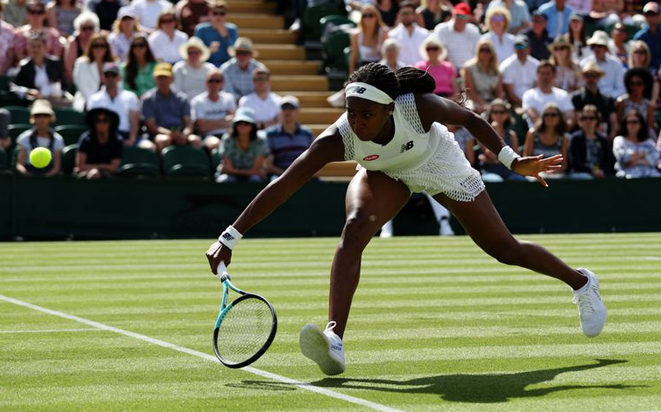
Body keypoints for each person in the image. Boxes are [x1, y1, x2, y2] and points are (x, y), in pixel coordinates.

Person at [205, 65, 607, 377]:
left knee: (504, 249)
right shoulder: (339, 138)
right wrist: (230, 235)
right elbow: (283, 184)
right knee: (356, 226)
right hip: (386, 173)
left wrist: (512, 160)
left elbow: (469, 119)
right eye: (351, 113)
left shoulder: (420, 107)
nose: (357, 122)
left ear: (389, 107)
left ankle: (582, 282)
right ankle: (334, 339)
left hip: (439, 163)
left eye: (367, 114)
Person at [141, 62, 201, 152]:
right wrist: (170, 134)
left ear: (172, 78)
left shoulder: (182, 98)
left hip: (180, 132)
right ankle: (164, 165)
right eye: (160, 78)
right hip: (159, 134)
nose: (162, 81)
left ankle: (194, 165)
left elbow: (188, 122)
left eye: (165, 77)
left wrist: (184, 134)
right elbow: (151, 126)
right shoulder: (148, 99)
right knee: (163, 140)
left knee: (195, 140)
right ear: (154, 79)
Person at [87, 62, 140, 146]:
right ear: (102, 77)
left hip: (126, 136)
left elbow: (134, 122)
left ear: (119, 78)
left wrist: (131, 139)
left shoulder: (130, 97)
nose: (110, 78)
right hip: (103, 138)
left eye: (113, 75)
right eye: (107, 75)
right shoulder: (94, 99)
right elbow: (93, 124)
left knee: (149, 147)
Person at [263, 95, 313, 181]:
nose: (287, 111)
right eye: (284, 108)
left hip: (303, 176)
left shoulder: (307, 134)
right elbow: (267, 165)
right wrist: (287, 175)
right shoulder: (270, 134)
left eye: (291, 108)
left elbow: (313, 162)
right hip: (279, 176)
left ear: (297, 112)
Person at [215, 107, 267, 183]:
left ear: (252, 126)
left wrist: (234, 171)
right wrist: (234, 171)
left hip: (251, 177)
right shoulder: (227, 139)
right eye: (239, 123)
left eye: (246, 123)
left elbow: (256, 170)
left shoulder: (260, 141)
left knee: (255, 180)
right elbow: (228, 168)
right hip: (231, 176)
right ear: (235, 125)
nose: (242, 126)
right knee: (225, 180)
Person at [15, 99, 63, 177]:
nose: (42, 119)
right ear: (33, 118)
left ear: (50, 118)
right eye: (38, 116)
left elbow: (56, 167)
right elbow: (20, 164)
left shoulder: (57, 139)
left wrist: (45, 177)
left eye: (45, 115)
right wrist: (29, 176)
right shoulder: (25, 137)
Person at [480, 98, 525, 181]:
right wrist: (496, 131)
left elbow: (516, 159)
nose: (498, 115)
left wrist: (497, 160)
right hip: (490, 171)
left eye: (501, 112)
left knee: (520, 180)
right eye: (495, 112)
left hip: (509, 171)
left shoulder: (512, 135)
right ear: (490, 114)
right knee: (496, 180)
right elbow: (492, 156)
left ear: (506, 114)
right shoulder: (483, 134)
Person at [571, 61, 618, 138]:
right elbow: (577, 120)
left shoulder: (608, 99)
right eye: (588, 76)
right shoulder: (577, 98)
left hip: (604, 137)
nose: (591, 79)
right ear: (583, 77)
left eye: (594, 76)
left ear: (598, 78)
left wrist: (611, 136)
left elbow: (614, 123)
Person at [522, 61, 574, 128]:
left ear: (554, 75)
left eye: (548, 73)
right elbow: (533, 117)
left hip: (560, 133)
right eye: (542, 73)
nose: (545, 77)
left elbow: (569, 117)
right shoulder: (529, 95)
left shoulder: (563, 95)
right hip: (537, 134)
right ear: (537, 75)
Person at [191, 68, 236, 146]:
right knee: (216, 144)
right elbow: (202, 127)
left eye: (217, 81)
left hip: (229, 134)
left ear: (223, 83)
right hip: (209, 136)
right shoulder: (198, 101)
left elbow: (233, 122)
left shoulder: (229, 98)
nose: (214, 84)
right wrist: (224, 121)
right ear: (206, 82)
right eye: (211, 81)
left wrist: (210, 122)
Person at [13, 32, 64, 100]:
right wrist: (28, 91)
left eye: (39, 46)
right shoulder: (25, 66)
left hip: (55, 101)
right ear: (29, 48)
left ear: (45, 47)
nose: (36, 49)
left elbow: (65, 85)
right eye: (33, 46)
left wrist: (58, 92)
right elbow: (13, 86)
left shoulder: (55, 63)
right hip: (34, 102)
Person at [74, 108, 123, 179]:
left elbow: (114, 168)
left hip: (109, 177)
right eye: (98, 121)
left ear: (111, 123)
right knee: (94, 174)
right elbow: (80, 166)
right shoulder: (86, 139)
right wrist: (104, 167)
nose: (101, 124)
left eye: (105, 120)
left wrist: (97, 168)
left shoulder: (117, 140)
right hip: (86, 175)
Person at [567, 104, 613, 178]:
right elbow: (575, 162)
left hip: (601, 173)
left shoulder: (603, 139)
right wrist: (592, 171)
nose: (588, 121)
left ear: (597, 120)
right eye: (584, 118)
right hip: (580, 174)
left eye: (591, 118)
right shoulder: (575, 138)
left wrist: (602, 171)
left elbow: (608, 160)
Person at [523, 103, 568, 178]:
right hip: (534, 174)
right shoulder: (532, 134)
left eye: (553, 115)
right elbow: (526, 158)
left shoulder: (564, 138)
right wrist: (538, 170)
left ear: (559, 118)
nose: (550, 117)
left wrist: (553, 171)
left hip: (555, 175)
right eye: (546, 114)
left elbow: (564, 165)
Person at [72, 33, 115, 111]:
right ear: (90, 47)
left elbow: (118, 85)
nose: (99, 49)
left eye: (102, 46)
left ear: (107, 48)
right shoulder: (82, 63)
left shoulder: (113, 64)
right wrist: (95, 102)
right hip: (87, 102)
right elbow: (81, 86)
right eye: (96, 46)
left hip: (111, 103)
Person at [612, 109, 660, 178]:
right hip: (627, 176)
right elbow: (623, 158)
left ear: (640, 124)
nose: (632, 125)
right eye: (629, 122)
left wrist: (635, 159)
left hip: (651, 175)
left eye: (635, 122)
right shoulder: (619, 140)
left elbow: (655, 160)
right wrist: (643, 155)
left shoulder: (649, 142)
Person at [461, 39, 503, 114]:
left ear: (492, 53)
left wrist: (496, 104)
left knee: (501, 111)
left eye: (488, 50)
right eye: (482, 50)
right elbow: (470, 91)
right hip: (473, 100)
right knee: (473, 110)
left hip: (491, 100)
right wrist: (483, 104)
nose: (484, 52)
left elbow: (499, 92)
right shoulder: (469, 68)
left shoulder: (496, 71)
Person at [433, 3, 480, 70]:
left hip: (470, 70)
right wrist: (452, 70)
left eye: (462, 16)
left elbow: (477, 52)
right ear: (453, 15)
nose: (459, 19)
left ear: (468, 17)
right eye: (457, 15)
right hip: (447, 70)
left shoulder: (473, 30)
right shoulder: (441, 29)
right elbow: (441, 52)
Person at [579, 30, 625, 99]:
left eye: (600, 46)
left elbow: (621, 88)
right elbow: (580, 85)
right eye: (594, 46)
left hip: (610, 101)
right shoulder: (584, 63)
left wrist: (608, 99)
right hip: (588, 100)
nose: (596, 49)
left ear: (606, 48)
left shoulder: (616, 64)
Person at [632, 2, 661, 70]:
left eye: (653, 14)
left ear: (659, 15)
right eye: (648, 14)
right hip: (646, 71)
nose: (651, 17)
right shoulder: (639, 37)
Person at [387, 1, 430, 71]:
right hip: (400, 74)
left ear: (414, 15)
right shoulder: (392, 35)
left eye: (409, 13)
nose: (406, 16)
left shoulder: (425, 34)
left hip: (421, 74)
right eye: (404, 13)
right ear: (399, 15)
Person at [220, 37, 265, 101]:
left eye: (244, 53)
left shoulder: (259, 68)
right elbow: (227, 91)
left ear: (250, 55)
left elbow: (261, 89)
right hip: (233, 103)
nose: (241, 56)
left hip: (254, 102)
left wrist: (247, 102)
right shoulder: (226, 68)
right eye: (238, 53)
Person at [193, 1, 237, 67]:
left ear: (226, 15)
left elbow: (235, 52)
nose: (218, 16)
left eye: (222, 13)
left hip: (228, 65)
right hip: (205, 65)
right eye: (215, 13)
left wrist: (225, 36)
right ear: (209, 14)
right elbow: (195, 51)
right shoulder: (201, 29)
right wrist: (209, 51)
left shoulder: (232, 29)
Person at [500, 35, 539, 108]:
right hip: (514, 104)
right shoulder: (506, 66)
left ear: (528, 49)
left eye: (523, 46)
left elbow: (537, 87)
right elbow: (510, 94)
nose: (520, 49)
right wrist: (524, 105)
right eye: (517, 46)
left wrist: (531, 104)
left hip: (534, 103)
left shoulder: (536, 65)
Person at [172, 36, 216, 101]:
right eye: (190, 53)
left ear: (201, 53)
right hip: (185, 104)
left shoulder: (210, 68)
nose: (193, 55)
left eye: (196, 52)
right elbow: (177, 90)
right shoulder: (179, 68)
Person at [62, 11, 100, 85]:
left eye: (90, 28)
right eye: (84, 28)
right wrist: (77, 84)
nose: (87, 31)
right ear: (78, 29)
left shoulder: (99, 41)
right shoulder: (74, 42)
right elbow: (68, 67)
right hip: (78, 81)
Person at [348, 4, 387, 74]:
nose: (367, 18)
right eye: (364, 16)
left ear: (376, 17)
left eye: (370, 15)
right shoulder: (356, 35)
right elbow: (354, 56)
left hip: (380, 68)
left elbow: (386, 55)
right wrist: (351, 73)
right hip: (363, 68)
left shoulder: (383, 32)